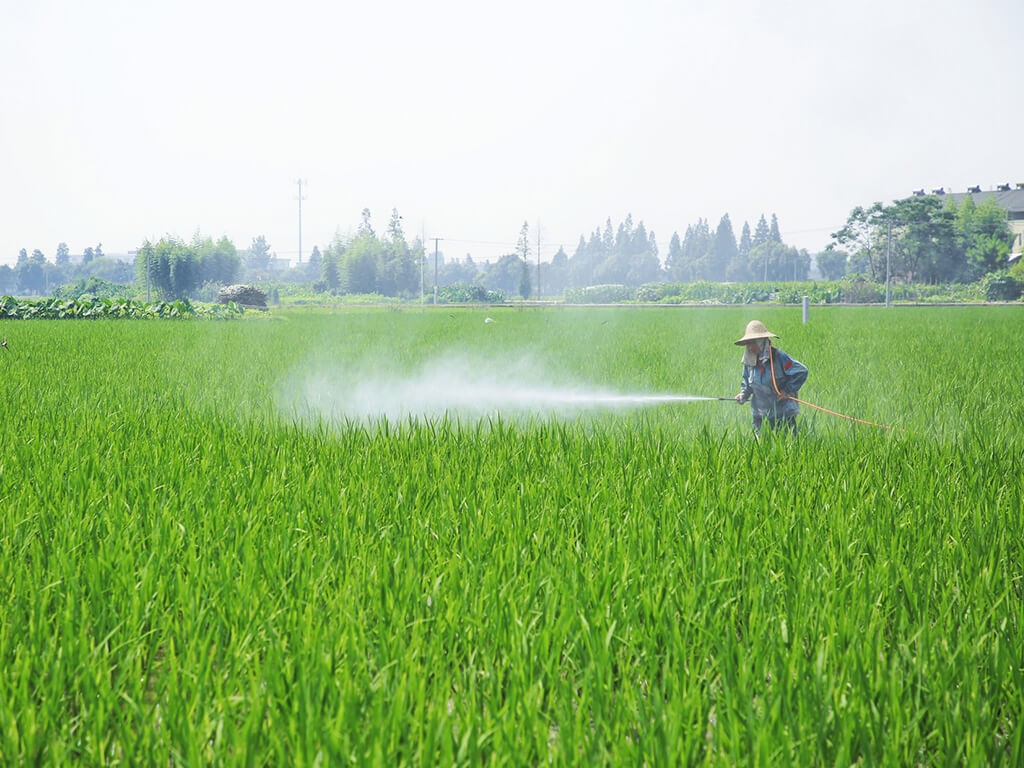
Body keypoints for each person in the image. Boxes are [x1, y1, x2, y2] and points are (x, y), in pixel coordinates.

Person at [733, 320, 808, 436]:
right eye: (748, 343)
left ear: (762, 341)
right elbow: (747, 383)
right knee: (759, 447)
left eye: (753, 342)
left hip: (783, 412)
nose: (750, 347)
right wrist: (743, 394)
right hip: (760, 412)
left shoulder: (779, 357)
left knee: (786, 445)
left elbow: (801, 371)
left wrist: (787, 390)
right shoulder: (749, 362)